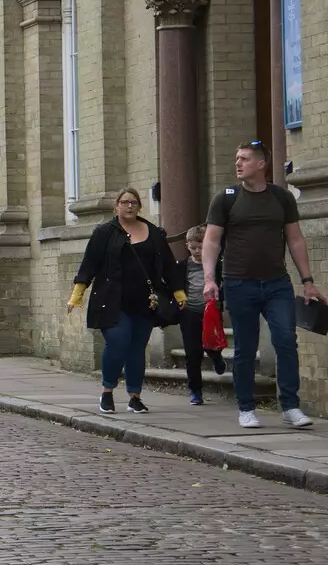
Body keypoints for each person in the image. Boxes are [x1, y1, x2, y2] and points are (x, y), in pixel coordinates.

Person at [202, 141, 323, 429]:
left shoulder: (281, 198)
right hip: (238, 283)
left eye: (244, 158)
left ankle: (290, 407)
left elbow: (295, 239)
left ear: (261, 164)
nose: (238, 163)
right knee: (245, 347)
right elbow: (211, 240)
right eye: (237, 158)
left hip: (276, 284)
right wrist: (209, 278)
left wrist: (308, 282)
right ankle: (246, 408)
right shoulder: (226, 198)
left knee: (285, 340)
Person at [68, 187, 182, 415]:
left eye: (134, 203)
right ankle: (107, 391)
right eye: (125, 202)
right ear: (116, 206)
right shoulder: (104, 232)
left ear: (139, 206)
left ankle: (134, 397)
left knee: (137, 348)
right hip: (112, 300)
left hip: (144, 300)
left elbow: (169, 265)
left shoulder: (153, 232)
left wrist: (179, 294)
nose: (129, 206)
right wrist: (77, 295)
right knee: (118, 342)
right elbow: (89, 263)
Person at [179, 224, 227, 405]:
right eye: (193, 248)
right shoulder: (184, 266)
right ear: (187, 246)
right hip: (190, 312)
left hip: (211, 312)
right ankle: (195, 391)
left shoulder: (217, 265)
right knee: (192, 352)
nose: (197, 251)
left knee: (211, 344)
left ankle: (216, 357)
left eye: (201, 247)